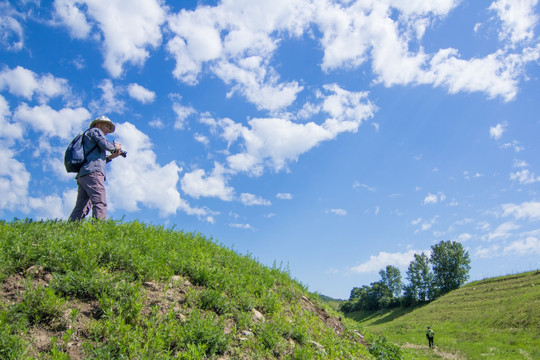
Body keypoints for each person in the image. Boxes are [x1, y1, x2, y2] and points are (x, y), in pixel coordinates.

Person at [69, 115, 122, 221]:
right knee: (100, 201)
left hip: (84, 174)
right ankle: (98, 229)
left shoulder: (89, 137)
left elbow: (96, 160)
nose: (107, 129)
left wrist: (111, 157)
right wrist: (116, 147)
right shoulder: (95, 131)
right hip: (93, 174)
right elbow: (105, 145)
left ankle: (71, 229)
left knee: (82, 207)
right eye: (106, 126)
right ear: (97, 124)